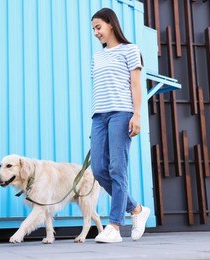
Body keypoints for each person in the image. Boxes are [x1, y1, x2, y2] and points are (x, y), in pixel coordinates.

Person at [90, 7, 150, 243]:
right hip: (99, 116)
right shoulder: (98, 56)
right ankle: (136, 209)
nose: (96, 33)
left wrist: (136, 115)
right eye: (93, 29)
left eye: (98, 27)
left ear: (111, 24)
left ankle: (114, 226)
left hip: (122, 113)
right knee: (99, 169)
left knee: (117, 168)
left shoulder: (130, 50)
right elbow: (99, 88)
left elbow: (136, 85)